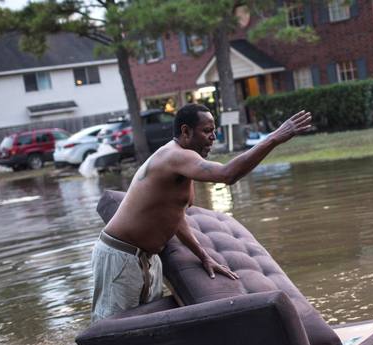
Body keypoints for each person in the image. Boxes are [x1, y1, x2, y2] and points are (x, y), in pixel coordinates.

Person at [91, 104, 312, 322]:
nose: (213, 137)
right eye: (207, 131)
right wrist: (273, 138)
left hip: (146, 258)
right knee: (112, 330)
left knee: (145, 329)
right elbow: (228, 175)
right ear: (186, 131)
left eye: (214, 130)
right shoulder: (174, 156)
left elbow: (175, 216)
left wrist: (204, 256)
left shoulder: (184, 164)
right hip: (121, 255)